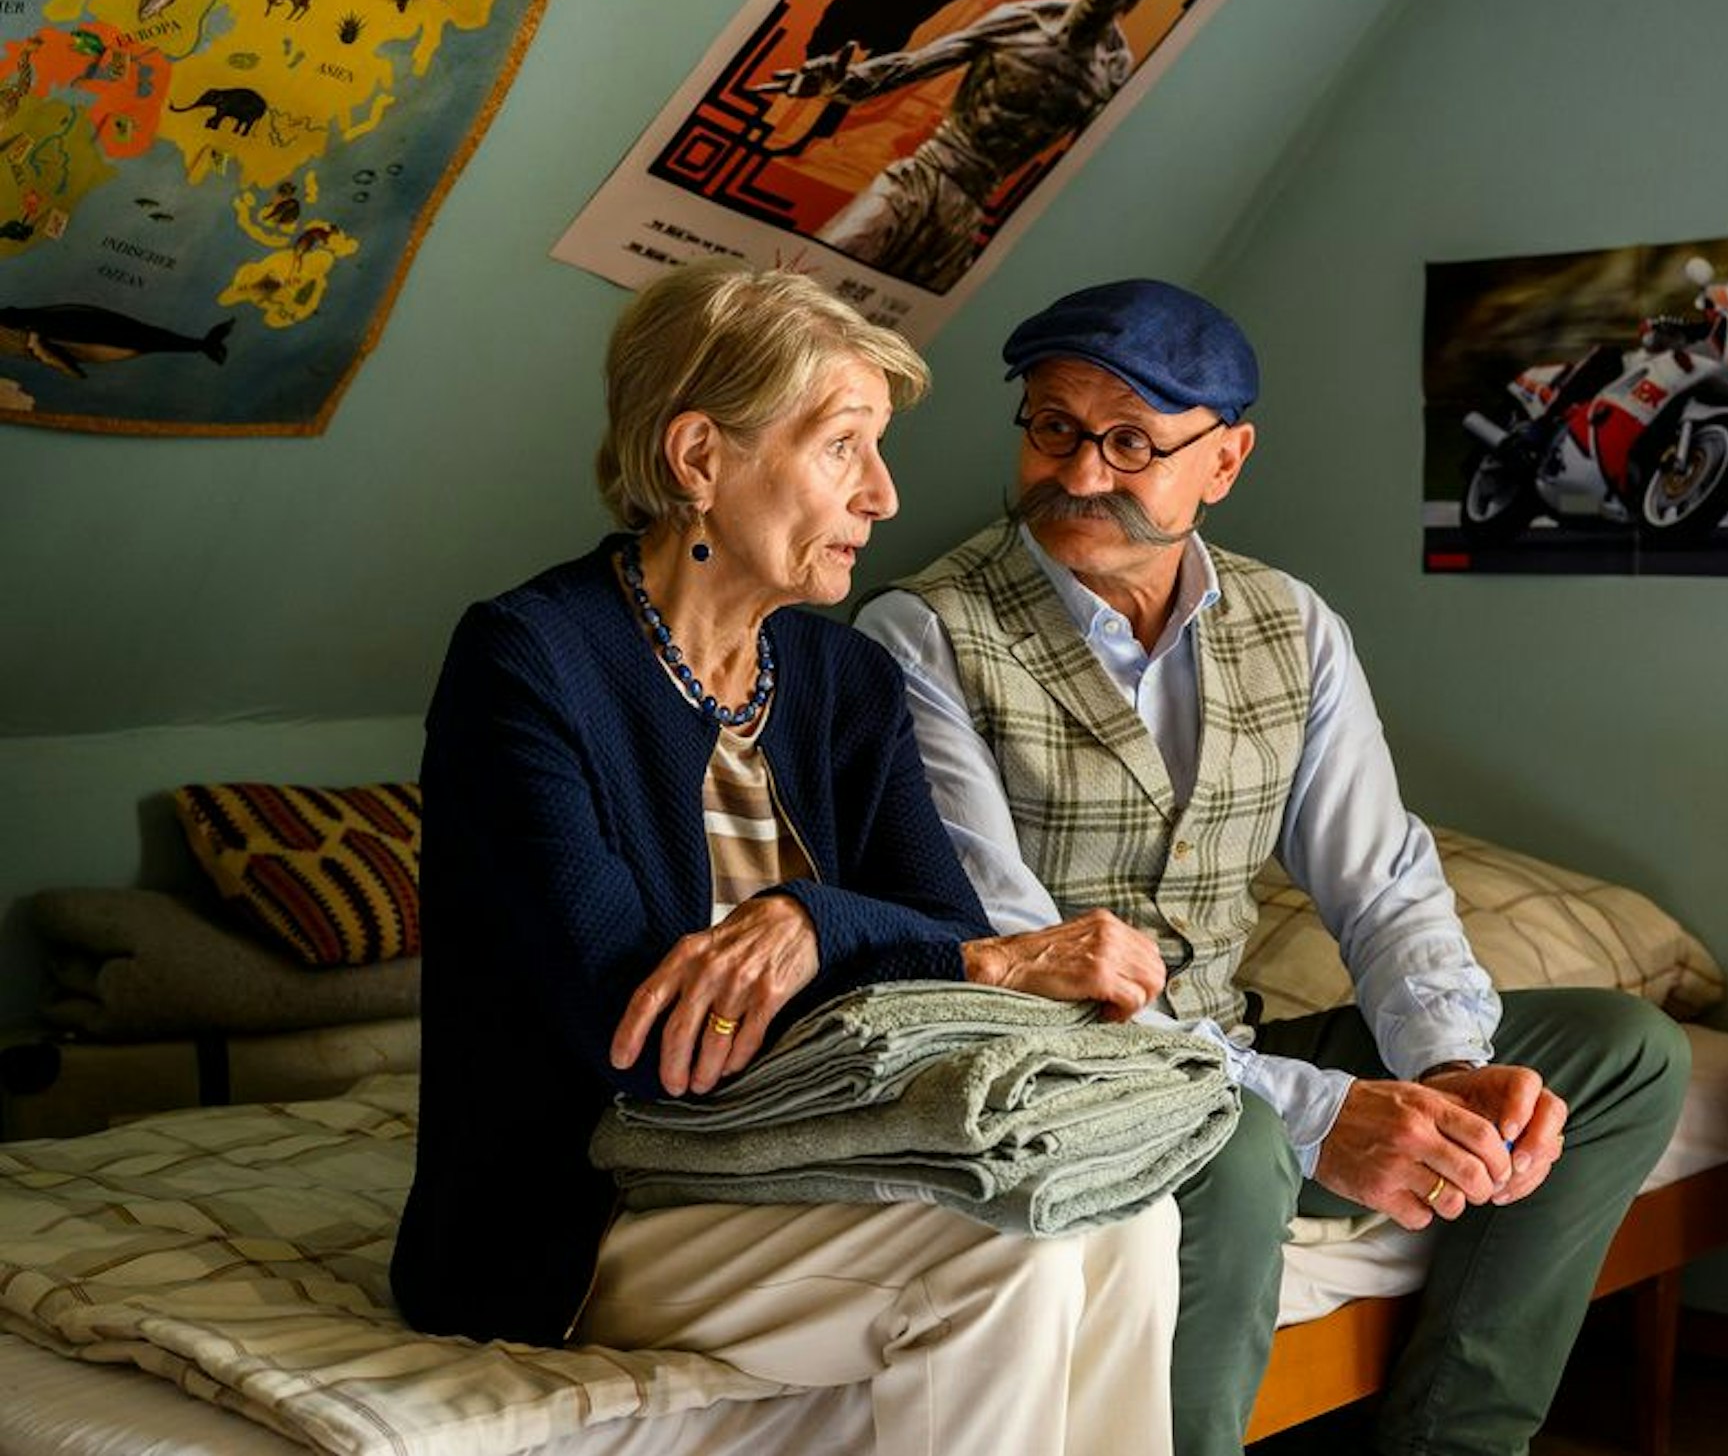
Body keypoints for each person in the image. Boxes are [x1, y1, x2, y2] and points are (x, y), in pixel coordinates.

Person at [854, 277, 1693, 1456]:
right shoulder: (921, 634)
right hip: (1048, 1080)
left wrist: (1446, 1066)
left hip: (1228, 1044)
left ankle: (1449, 1443)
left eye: (1131, 441)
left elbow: (1380, 880)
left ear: (1224, 461)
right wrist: (1319, 1117)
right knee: (1240, 1143)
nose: (1080, 474)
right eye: (1051, 426)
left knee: (1622, 1054)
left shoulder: (1289, 623)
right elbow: (1012, 951)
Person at [390, 260, 1179, 1456]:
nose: (884, 496)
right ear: (698, 459)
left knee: (1126, 1212)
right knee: (997, 1260)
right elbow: (636, 1026)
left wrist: (816, 922)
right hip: (588, 1201)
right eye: (841, 448)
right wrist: (847, 924)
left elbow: (946, 950)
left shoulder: (839, 675)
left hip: (808, 1151)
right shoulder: (528, 663)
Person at [759, 0, 1180, 293]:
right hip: (922, 175)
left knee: (887, 339)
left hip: (968, 212)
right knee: (803, 288)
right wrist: (840, 81)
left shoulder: (1115, 69)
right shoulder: (1022, 21)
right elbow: (913, 65)